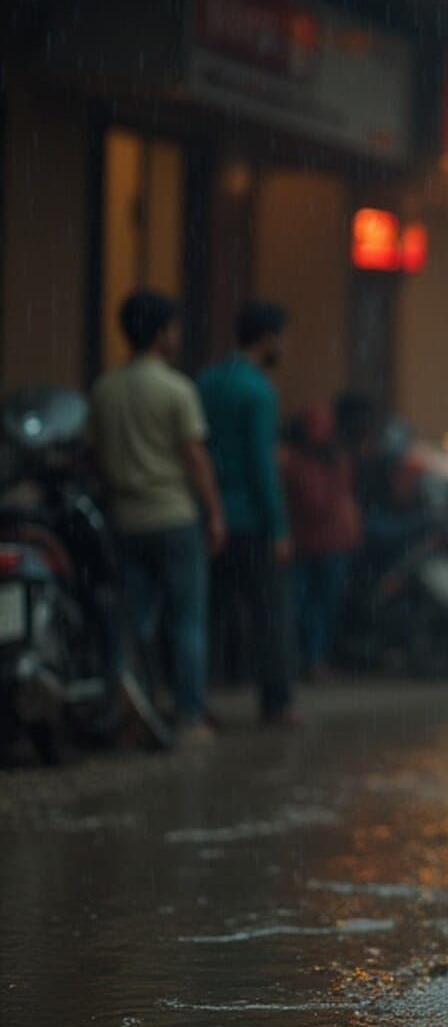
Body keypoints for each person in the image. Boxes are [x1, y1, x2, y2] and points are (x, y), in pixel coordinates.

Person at [86, 290, 226, 738]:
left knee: (133, 621)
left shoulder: (106, 389)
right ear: (164, 332)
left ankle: (126, 707)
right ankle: (189, 715)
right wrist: (214, 512)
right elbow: (195, 458)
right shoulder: (175, 389)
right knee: (187, 620)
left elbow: (94, 456)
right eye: (174, 327)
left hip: (127, 519)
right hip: (173, 516)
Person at [197, 301, 297, 724]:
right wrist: (278, 526)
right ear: (268, 338)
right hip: (251, 518)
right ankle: (276, 701)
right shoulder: (257, 390)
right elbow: (261, 465)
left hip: (209, 515)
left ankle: (195, 698)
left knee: (207, 613)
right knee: (269, 612)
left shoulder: (206, 381)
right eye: (283, 338)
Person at [281, 405, 360, 679]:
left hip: (332, 542)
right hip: (302, 542)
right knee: (303, 605)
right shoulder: (291, 459)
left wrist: (351, 529)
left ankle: (317, 658)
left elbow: (344, 498)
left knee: (325, 604)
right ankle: (307, 658)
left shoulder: (336, 457)